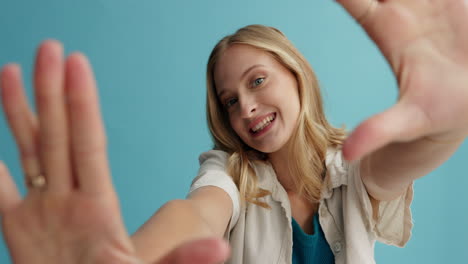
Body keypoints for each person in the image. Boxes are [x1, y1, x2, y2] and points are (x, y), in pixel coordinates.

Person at [0, 0, 467, 263]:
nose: (245, 106)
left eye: (257, 81)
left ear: (296, 75)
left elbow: (401, 163)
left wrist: (451, 118)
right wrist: (132, 257)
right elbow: (196, 214)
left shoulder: (350, 164)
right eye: (229, 101)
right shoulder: (228, 172)